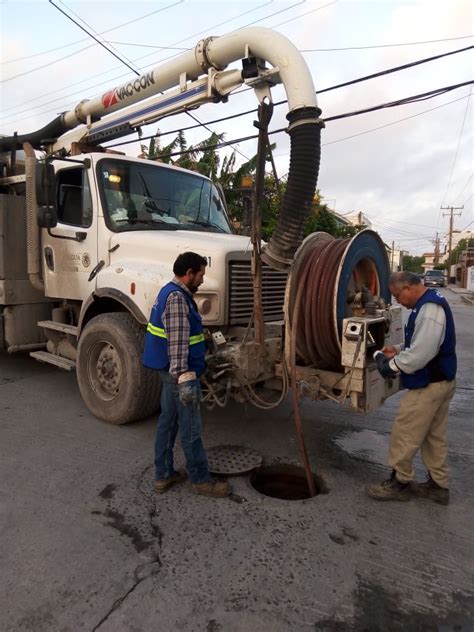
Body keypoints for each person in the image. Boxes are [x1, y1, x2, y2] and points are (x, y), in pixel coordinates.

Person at [143, 252, 231, 498]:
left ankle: (164, 475)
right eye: (201, 274)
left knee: (168, 423)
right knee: (190, 427)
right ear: (189, 273)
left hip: (169, 371)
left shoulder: (171, 292)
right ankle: (201, 480)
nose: (202, 279)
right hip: (179, 374)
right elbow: (178, 344)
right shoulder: (177, 299)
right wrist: (185, 379)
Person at [367, 271, 456, 505]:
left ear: (408, 288)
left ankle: (400, 483)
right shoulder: (429, 303)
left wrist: (391, 366)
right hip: (442, 381)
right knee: (433, 435)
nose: (398, 301)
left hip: (429, 384)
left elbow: (421, 354)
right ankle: (439, 486)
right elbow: (423, 342)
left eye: (397, 296)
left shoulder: (429, 310)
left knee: (404, 431)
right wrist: (398, 349)